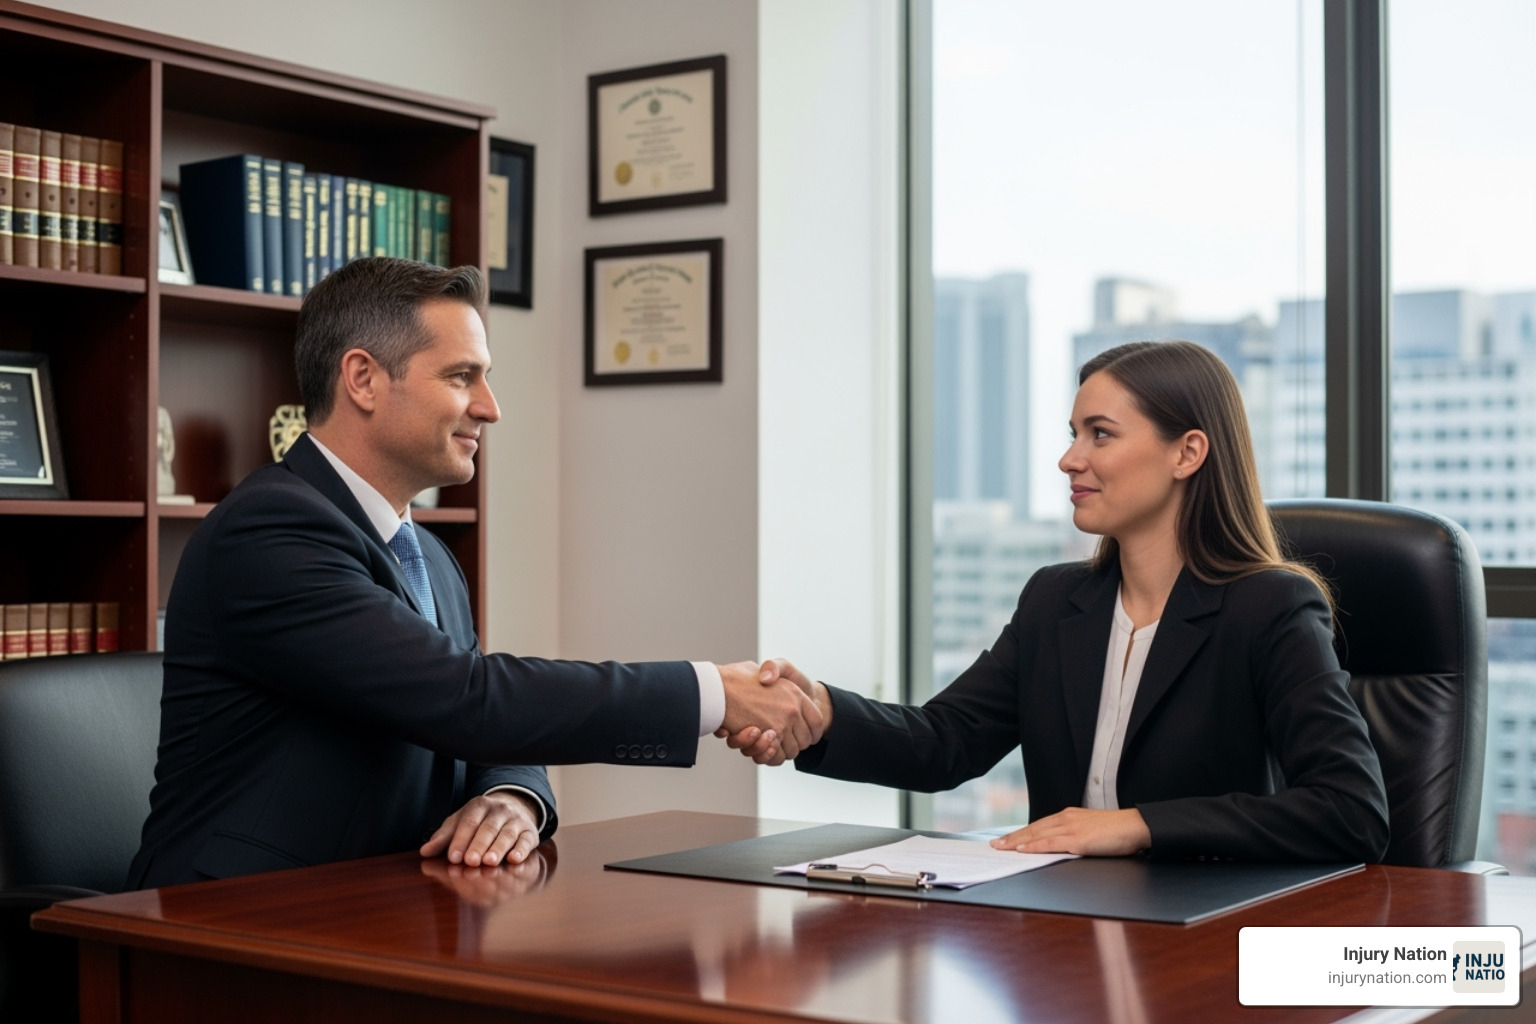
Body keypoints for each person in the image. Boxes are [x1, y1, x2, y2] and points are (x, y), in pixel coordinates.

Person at [129, 258, 821, 889]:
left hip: (382, 909)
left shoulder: (426, 555)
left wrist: (512, 797)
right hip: (229, 923)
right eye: (462, 377)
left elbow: (485, 722)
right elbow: (467, 699)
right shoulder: (268, 531)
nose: (490, 407)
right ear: (363, 379)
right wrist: (713, 693)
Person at [728, 340, 1389, 863]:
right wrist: (821, 713)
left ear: (1187, 453)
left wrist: (1135, 826)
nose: (1070, 459)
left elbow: (1350, 811)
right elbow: (945, 742)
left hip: (1199, 932)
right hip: (1063, 926)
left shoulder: (1270, 608)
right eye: (1074, 433)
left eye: (1100, 434)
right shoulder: (1056, 601)